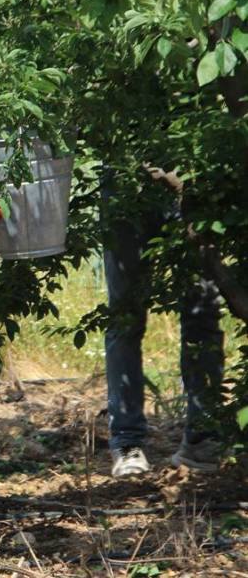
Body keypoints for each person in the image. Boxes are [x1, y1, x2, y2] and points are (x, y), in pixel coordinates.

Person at [102, 182, 225, 477]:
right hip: (127, 180)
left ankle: (202, 439)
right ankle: (127, 442)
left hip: (192, 175)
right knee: (126, 317)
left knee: (203, 312)